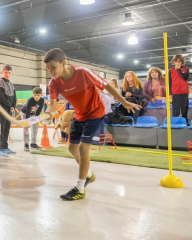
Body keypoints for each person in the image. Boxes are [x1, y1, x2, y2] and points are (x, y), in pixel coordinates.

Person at [44, 48, 140, 201]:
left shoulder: (83, 73)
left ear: (63, 63)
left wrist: (123, 101)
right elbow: (53, 104)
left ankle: (80, 188)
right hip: (79, 114)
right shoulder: (54, 82)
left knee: (83, 148)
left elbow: (106, 85)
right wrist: (50, 112)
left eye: (53, 67)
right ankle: (88, 175)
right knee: (72, 147)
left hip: (95, 113)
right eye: (48, 68)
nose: (50, 71)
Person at [0, 65, 17, 156]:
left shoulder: (11, 83)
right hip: (2, 109)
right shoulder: (0, 82)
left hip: (9, 109)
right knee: (1, 128)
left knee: (6, 128)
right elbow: (0, 97)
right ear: (2, 72)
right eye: (5, 72)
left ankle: (5, 146)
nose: (7, 74)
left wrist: (13, 106)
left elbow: (14, 97)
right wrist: (9, 106)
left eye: (9, 72)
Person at [21, 87, 44, 152]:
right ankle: (26, 144)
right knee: (26, 128)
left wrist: (36, 119)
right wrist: (27, 122)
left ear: (41, 95)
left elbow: (39, 110)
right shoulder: (30, 100)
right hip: (25, 113)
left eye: (38, 95)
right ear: (33, 94)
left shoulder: (42, 100)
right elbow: (28, 111)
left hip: (33, 113)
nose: (36, 97)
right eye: (35, 95)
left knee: (35, 127)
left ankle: (33, 143)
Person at [169, 54, 190, 122]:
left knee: (184, 108)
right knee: (175, 108)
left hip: (184, 92)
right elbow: (169, 82)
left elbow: (185, 77)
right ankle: (175, 122)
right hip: (175, 93)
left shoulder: (186, 69)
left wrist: (178, 70)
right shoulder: (171, 70)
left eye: (179, 61)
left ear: (182, 62)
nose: (177, 63)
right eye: (176, 61)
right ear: (174, 62)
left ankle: (185, 122)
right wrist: (170, 93)